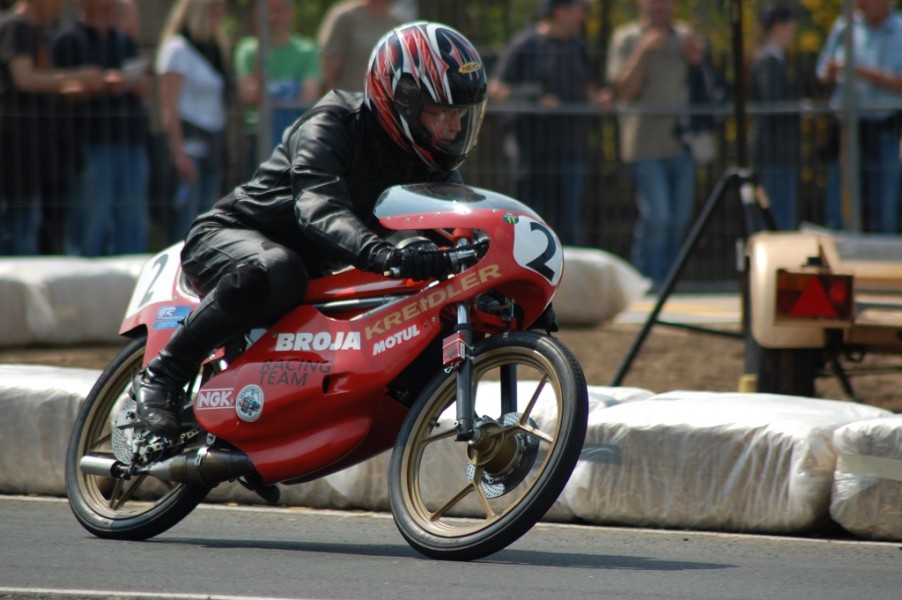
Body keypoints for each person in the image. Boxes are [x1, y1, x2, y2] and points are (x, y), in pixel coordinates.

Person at [133, 22, 488, 440]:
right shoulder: (334, 121)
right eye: (440, 112)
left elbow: (465, 228)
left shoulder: (430, 162)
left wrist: (512, 275)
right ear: (402, 100)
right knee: (279, 269)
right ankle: (163, 375)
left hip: (312, 272)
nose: (451, 128)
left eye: (460, 115)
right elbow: (317, 207)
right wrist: (387, 255)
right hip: (231, 236)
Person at [489, 0, 610, 247]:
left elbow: (589, 90)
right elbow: (496, 88)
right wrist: (534, 99)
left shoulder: (578, 47)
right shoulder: (525, 44)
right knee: (529, 225)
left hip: (571, 151)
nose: (583, 17)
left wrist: (600, 100)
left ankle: (567, 282)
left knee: (569, 227)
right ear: (559, 11)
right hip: (532, 155)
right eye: (579, 10)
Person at [606, 0, 705, 286]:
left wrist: (697, 62)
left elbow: (707, 86)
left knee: (679, 219)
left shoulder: (685, 36)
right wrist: (642, 52)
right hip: (644, 145)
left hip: (680, 142)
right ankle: (646, 281)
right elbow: (624, 91)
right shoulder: (626, 38)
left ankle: (668, 282)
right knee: (657, 217)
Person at [0, 0, 104, 255]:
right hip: (17, 145)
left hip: (30, 144)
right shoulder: (18, 26)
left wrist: (66, 88)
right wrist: (77, 76)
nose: (60, 6)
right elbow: (23, 79)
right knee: (21, 228)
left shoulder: (33, 29)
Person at [51, 0, 152, 256]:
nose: (107, 12)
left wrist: (138, 84)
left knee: (133, 221)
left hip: (130, 140)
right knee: (91, 222)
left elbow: (142, 84)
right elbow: (57, 91)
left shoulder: (122, 40)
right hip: (90, 142)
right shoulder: (67, 39)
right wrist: (94, 85)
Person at [816, 0, 902, 233]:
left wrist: (859, 71)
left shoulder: (900, 31)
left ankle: (884, 263)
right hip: (846, 130)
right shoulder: (844, 27)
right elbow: (821, 72)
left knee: (883, 207)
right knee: (839, 207)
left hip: (883, 130)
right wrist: (831, 72)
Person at [155, 0, 230, 245]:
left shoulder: (216, 49)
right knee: (185, 218)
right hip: (188, 142)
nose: (220, 14)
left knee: (209, 217)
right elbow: (169, 106)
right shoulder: (177, 48)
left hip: (213, 142)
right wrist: (178, 153)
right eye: (214, 9)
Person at [234, 0, 321, 175]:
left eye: (279, 11)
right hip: (257, 137)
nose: (272, 18)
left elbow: (308, 96)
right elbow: (248, 95)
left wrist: (270, 94)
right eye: (268, 11)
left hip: (295, 141)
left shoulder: (307, 50)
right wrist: (262, 47)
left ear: (290, 13)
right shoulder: (248, 50)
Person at [749, 3, 801, 231]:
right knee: (775, 216)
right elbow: (773, 103)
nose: (793, 33)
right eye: (790, 27)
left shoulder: (774, 60)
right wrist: (798, 108)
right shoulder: (768, 62)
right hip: (773, 152)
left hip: (778, 151)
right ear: (777, 28)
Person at [316, 0, 402, 93]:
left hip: (384, 100)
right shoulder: (346, 16)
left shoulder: (397, 22)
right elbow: (329, 63)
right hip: (348, 98)